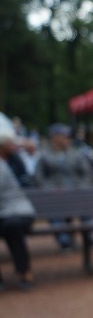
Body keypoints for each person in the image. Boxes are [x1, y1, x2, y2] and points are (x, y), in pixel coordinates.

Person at [35, 123, 93, 249]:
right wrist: (51, 189)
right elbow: (39, 177)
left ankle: (89, 237)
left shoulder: (76, 154)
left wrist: (81, 188)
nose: (67, 138)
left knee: (87, 206)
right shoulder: (45, 155)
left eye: (67, 136)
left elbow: (86, 173)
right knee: (54, 211)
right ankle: (64, 241)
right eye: (63, 135)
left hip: (77, 194)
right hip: (56, 196)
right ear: (54, 137)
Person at [0, 113, 35, 290]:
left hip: (17, 211)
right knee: (9, 226)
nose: (14, 147)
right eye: (10, 144)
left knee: (11, 226)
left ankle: (24, 271)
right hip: (5, 213)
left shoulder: (12, 161)